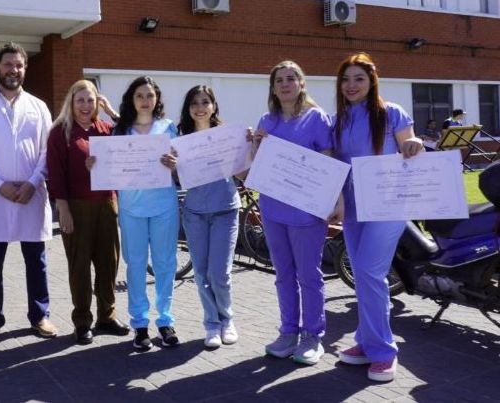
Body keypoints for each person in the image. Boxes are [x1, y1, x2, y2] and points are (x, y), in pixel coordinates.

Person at [332, 53, 424, 382]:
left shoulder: (392, 113)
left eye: (359, 78)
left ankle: (384, 351)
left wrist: (415, 143)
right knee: (361, 274)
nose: (351, 85)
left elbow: (410, 149)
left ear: (372, 80)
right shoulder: (337, 120)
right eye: (346, 79)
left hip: (388, 204)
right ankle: (365, 341)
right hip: (354, 206)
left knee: (371, 272)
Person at [0, 42, 57, 343]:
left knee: (37, 261)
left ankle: (40, 315)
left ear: (24, 69)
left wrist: (33, 181)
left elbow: (49, 150)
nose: (12, 70)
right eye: (7, 64)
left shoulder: (39, 107)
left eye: (18, 65)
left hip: (32, 193)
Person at [249, 61, 333, 365]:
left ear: (301, 83)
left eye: (290, 79)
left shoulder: (317, 118)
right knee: (283, 275)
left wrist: (330, 203)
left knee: (309, 275)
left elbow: (328, 162)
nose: (284, 84)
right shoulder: (266, 120)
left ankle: (313, 336)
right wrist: (256, 145)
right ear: (273, 88)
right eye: (279, 80)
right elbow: (257, 165)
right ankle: (288, 332)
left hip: (307, 213)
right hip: (272, 209)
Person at [46, 80, 130, 345]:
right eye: (80, 100)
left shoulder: (106, 129)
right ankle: (82, 321)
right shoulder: (60, 132)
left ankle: (107, 315)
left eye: (91, 100)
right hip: (76, 207)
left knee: (108, 264)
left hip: (107, 204)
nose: (85, 105)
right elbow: (55, 174)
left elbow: (131, 136)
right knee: (79, 266)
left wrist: (111, 111)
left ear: (98, 102)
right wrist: (63, 210)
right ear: (71, 102)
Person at [113, 76, 180, 350]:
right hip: (131, 208)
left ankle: (165, 321)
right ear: (132, 99)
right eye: (140, 95)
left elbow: (179, 167)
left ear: (157, 99)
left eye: (150, 95)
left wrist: (175, 164)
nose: (145, 100)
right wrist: (95, 163)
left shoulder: (168, 127)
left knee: (165, 264)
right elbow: (109, 167)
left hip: (164, 206)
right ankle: (139, 324)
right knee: (136, 265)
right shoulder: (120, 131)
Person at [175, 85, 241, 349]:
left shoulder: (227, 136)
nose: (200, 107)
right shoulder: (181, 139)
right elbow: (180, 179)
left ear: (214, 106)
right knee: (201, 273)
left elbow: (244, 169)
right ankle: (211, 324)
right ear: (188, 109)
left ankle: (227, 319)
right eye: (194, 103)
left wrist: (250, 143)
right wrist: (172, 166)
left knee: (220, 273)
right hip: (195, 213)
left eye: (205, 102)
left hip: (225, 209)